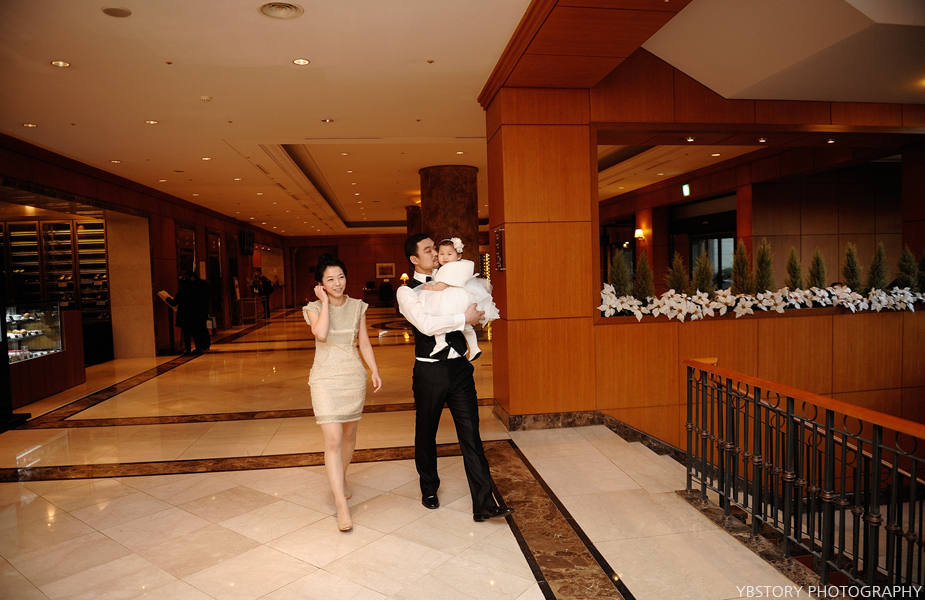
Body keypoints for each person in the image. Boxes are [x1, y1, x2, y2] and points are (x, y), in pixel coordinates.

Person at [396, 233, 514, 522]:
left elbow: (474, 308)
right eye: (428, 250)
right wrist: (463, 319)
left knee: (471, 434)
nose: (435, 253)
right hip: (429, 371)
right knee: (426, 433)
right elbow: (427, 325)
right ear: (414, 259)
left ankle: (484, 503)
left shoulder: (453, 278)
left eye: (436, 248)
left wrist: (476, 315)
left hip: (459, 369)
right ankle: (429, 488)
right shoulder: (407, 292)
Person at [303, 253, 382, 532]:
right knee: (334, 438)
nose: (337, 283)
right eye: (330, 279)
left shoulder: (358, 306)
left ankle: (341, 477)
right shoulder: (313, 308)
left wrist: (374, 370)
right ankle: (341, 505)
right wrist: (325, 303)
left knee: (349, 435)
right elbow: (321, 334)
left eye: (341, 277)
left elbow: (364, 342)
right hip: (325, 379)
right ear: (320, 284)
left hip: (352, 376)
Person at [420, 237, 499, 361]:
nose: (445, 257)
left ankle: (440, 343)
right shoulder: (461, 266)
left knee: (439, 318)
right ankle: (474, 347)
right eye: (441, 254)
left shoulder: (450, 268)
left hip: (451, 299)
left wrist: (432, 288)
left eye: (449, 254)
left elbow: (444, 284)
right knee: (466, 326)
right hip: (460, 299)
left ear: (458, 256)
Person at [166, 271, 210, 355]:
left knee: (186, 334)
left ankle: (188, 350)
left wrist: (167, 298)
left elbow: (174, 303)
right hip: (195, 315)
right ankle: (198, 348)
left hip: (184, 316)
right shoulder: (196, 291)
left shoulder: (181, 292)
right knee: (195, 333)